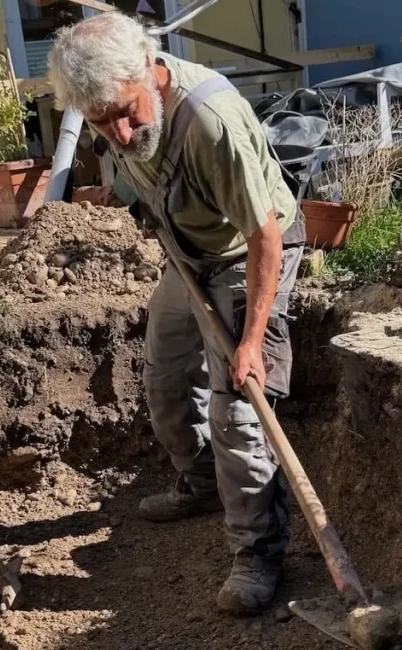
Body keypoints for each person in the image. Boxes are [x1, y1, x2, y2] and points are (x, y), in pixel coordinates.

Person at [48, 13, 304, 616]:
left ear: (147, 70)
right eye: (99, 120)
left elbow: (264, 233)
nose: (118, 129)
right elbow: (135, 171)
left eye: (125, 110)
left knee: (238, 408)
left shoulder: (210, 123)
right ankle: (198, 480)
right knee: (164, 374)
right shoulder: (113, 117)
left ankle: (257, 550)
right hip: (189, 254)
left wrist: (251, 339)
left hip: (247, 254)